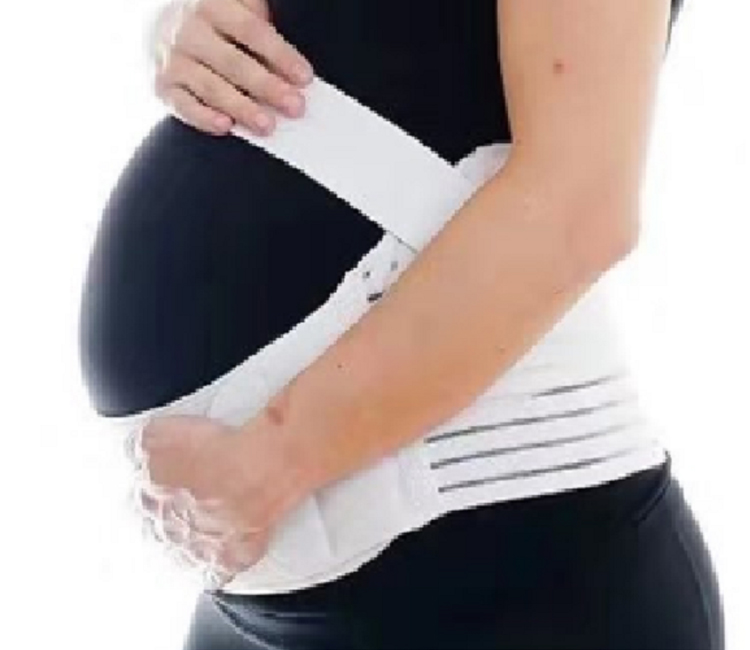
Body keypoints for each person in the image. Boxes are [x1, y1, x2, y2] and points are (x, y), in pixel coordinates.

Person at [77, 0, 726, 648]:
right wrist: (189, 34)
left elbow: (578, 210)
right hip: (258, 602)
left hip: (511, 576)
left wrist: (273, 461)